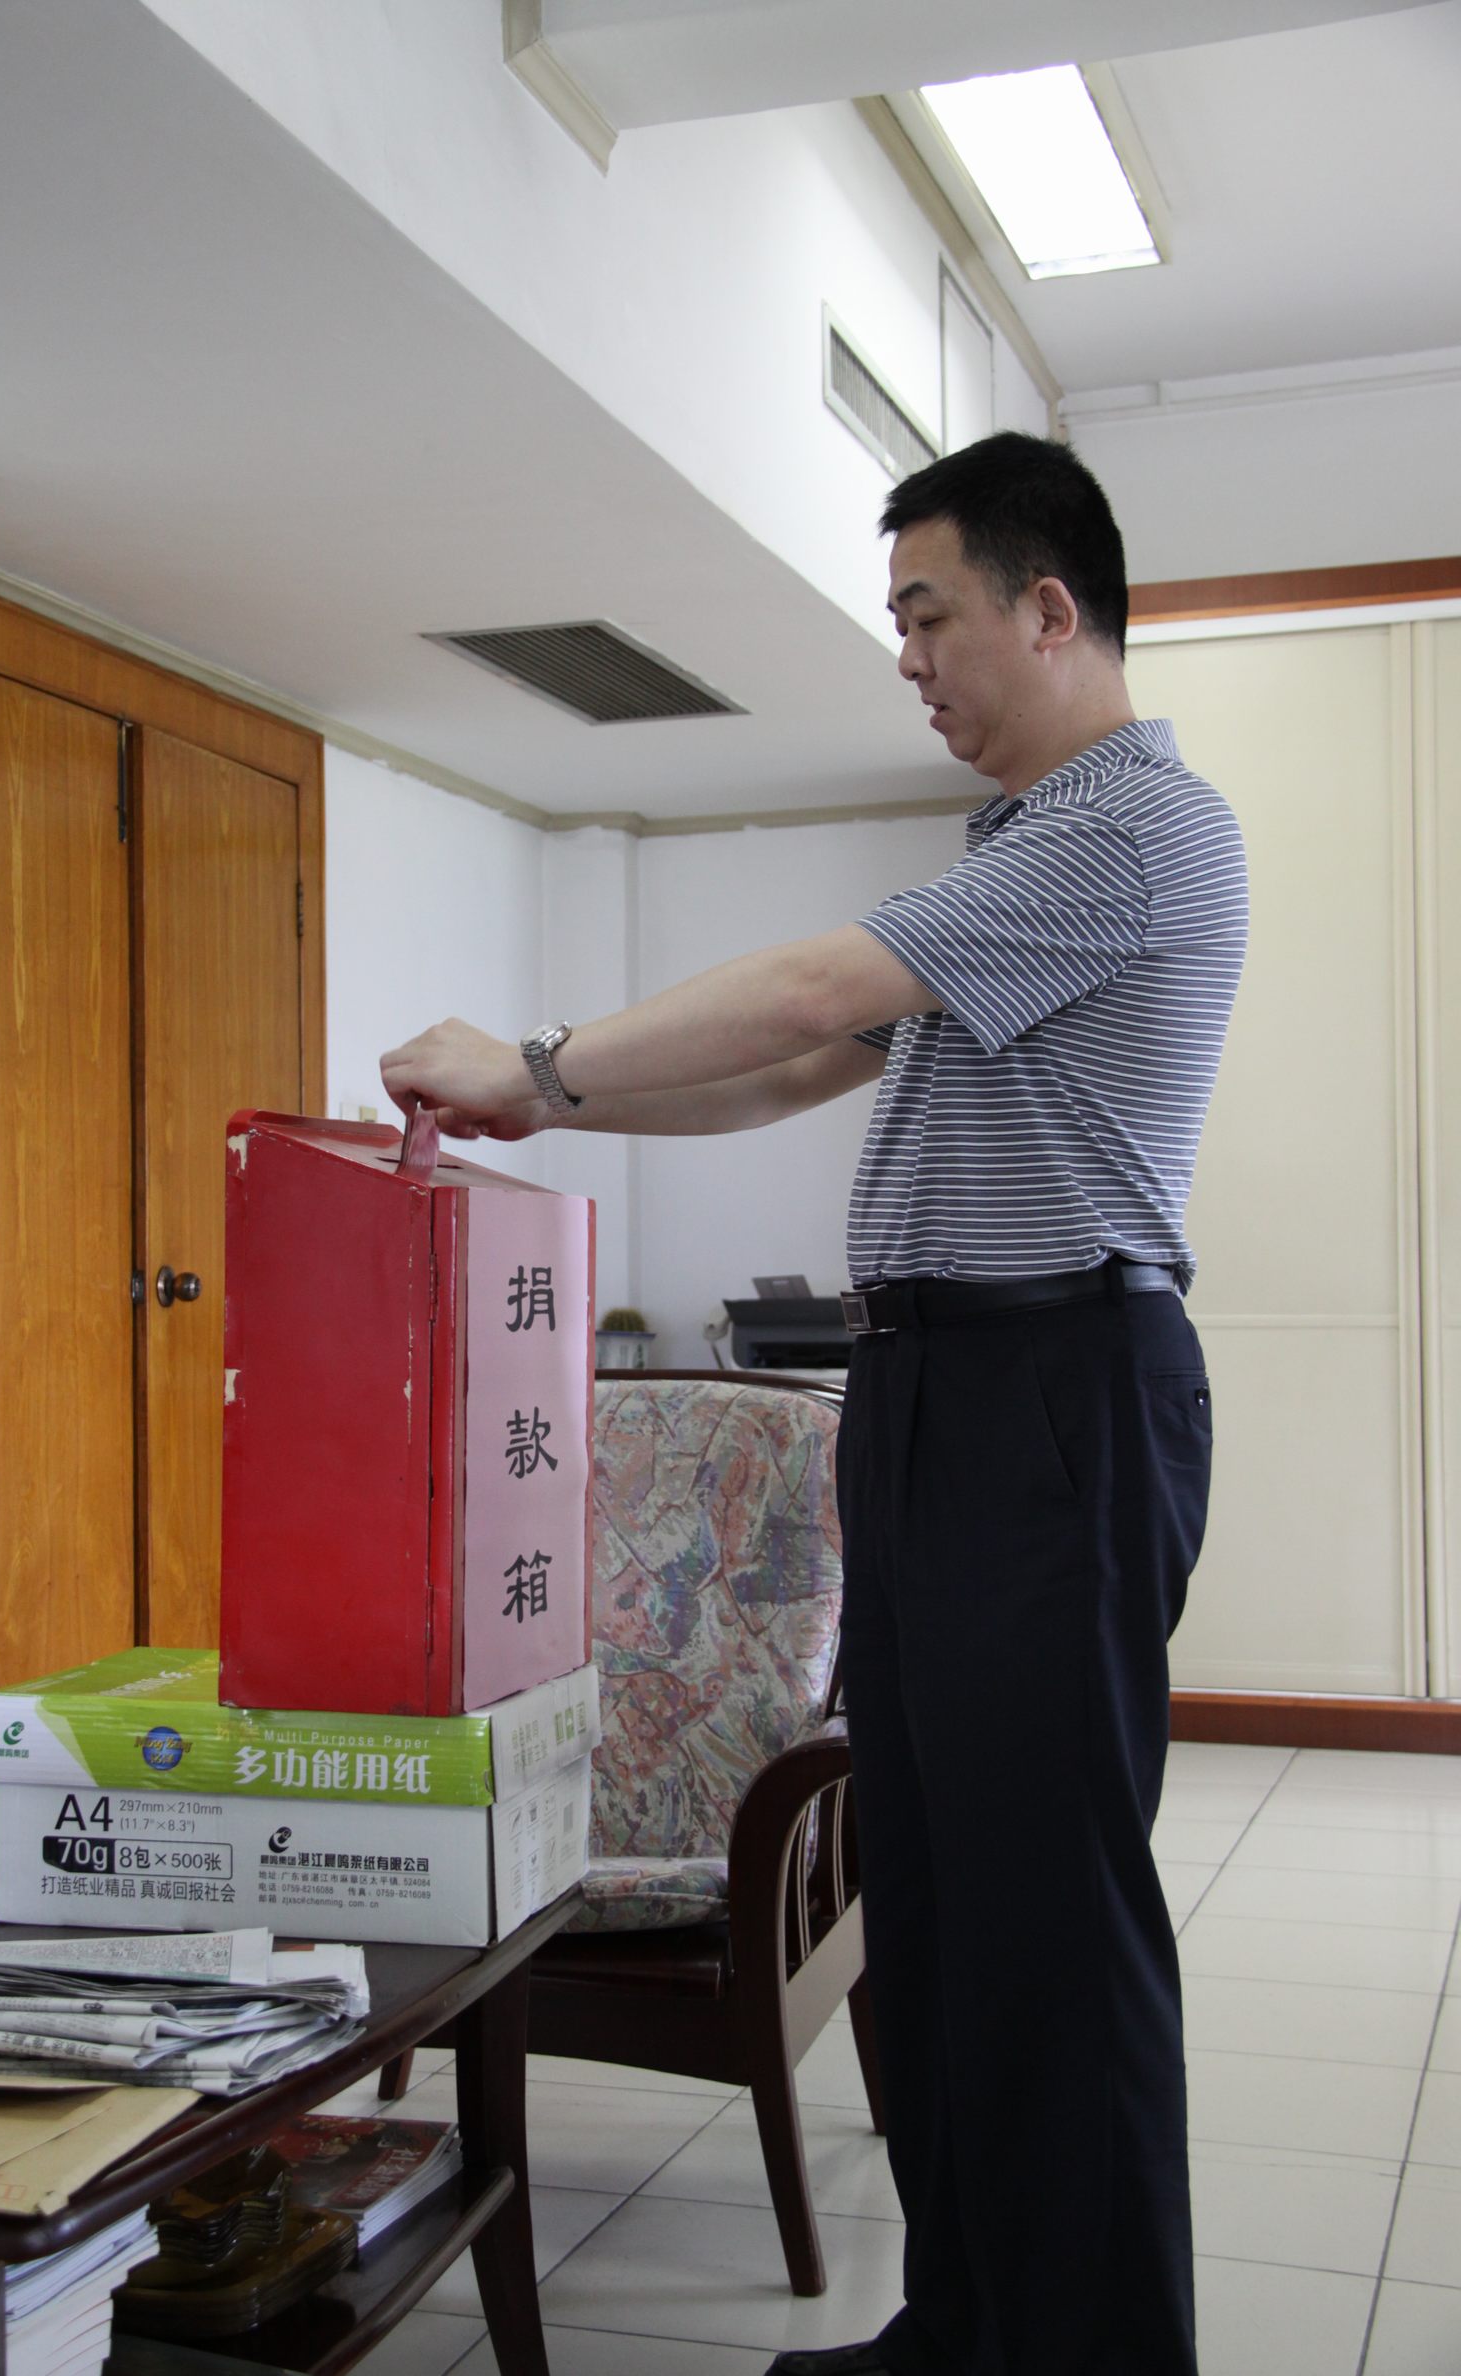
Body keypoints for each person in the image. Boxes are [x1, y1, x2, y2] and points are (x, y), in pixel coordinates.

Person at [380, 430, 1248, 2376]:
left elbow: (793, 993)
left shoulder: (1135, 829)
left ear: (1049, 608)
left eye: (931, 617)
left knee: (1049, 1920)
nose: (912, 661)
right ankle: (967, 2326)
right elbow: (793, 1068)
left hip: (1052, 1392)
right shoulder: (1014, 854)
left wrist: (534, 1060)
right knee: (935, 1904)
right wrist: (561, 1108)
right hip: (937, 1390)